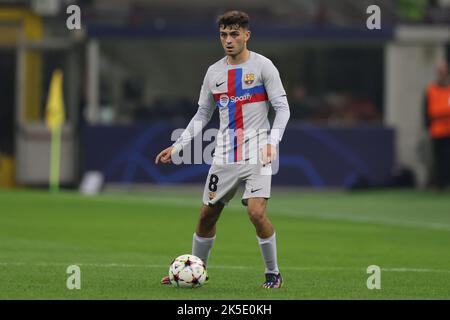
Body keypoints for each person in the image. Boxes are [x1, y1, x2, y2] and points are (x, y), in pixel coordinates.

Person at [155, 10, 290, 288]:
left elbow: (283, 108)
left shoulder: (263, 66)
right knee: (207, 215)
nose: (228, 40)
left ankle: (273, 273)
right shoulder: (214, 73)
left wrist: (271, 141)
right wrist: (178, 146)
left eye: (234, 34)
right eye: (223, 35)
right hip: (225, 156)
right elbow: (203, 114)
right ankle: (192, 271)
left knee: (255, 212)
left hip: (257, 155)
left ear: (246, 35)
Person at [424, 60, 450, 190]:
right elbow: (425, 110)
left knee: (448, 159)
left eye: (444, 71)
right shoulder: (431, 90)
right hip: (437, 129)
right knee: (438, 159)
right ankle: (439, 184)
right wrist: (427, 127)